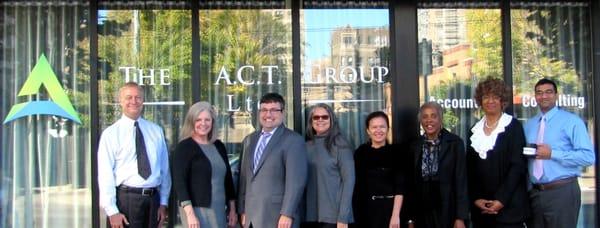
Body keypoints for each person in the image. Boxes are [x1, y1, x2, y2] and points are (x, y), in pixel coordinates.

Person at [97, 82, 171, 228]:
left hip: (153, 201)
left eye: (138, 97)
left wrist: (163, 202)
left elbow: (164, 169)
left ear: (143, 101)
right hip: (126, 201)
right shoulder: (111, 134)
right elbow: (105, 174)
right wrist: (112, 211)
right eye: (128, 97)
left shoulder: (156, 131)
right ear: (120, 101)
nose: (133, 101)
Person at [524, 78, 595, 228]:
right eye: (539, 93)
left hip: (562, 191)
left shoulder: (572, 121)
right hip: (535, 193)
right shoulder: (529, 125)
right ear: (535, 97)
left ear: (556, 95)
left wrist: (553, 154)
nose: (544, 96)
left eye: (548, 92)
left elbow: (588, 157)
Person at [237, 93, 308, 228]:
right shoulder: (249, 140)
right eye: (264, 110)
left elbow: (296, 182)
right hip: (251, 217)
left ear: (283, 113)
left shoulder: (293, 140)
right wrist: (242, 209)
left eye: (274, 110)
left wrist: (287, 213)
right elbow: (244, 179)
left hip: (278, 217)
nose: (268, 115)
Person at [466, 77, 529, 228]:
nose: (490, 101)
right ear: (480, 101)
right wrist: (476, 199)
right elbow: (470, 169)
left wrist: (501, 201)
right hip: (481, 210)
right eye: (486, 97)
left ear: (502, 101)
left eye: (495, 97)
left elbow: (517, 166)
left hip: (509, 209)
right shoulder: (474, 131)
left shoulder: (513, 127)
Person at [171, 101, 237, 228]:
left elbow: (228, 180)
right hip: (196, 211)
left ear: (212, 122)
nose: (203, 124)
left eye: (207, 120)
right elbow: (180, 184)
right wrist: (190, 214)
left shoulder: (219, 146)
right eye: (198, 120)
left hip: (219, 210)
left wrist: (232, 209)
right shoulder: (184, 147)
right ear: (191, 122)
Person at [405, 102, 468, 228]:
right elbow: (410, 185)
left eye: (433, 116)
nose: (429, 120)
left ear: (441, 118)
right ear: (420, 120)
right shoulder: (414, 146)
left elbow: (461, 181)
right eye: (425, 116)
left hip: (447, 209)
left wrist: (460, 217)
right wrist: (410, 219)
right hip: (422, 211)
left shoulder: (454, 143)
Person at [303, 104, 355, 228]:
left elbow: (349, 181)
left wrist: (343, 216)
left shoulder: (340, 145)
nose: (320, 120)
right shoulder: (305, 146)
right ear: (311, 121)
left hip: (334, 217)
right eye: (316, 117)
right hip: (309, 215)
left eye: (325, 117)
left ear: (332, 120)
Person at [353, 111, 404, 228]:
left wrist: (396, 215)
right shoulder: (361, 153)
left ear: (388, 129)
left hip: (390, 211)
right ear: (368, 131)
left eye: (382, 126)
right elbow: (357, 186)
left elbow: (400, 187)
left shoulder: (397, 152)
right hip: (366, 212)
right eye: (374, 127)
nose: (378, 130)